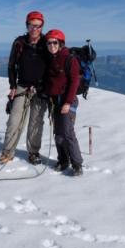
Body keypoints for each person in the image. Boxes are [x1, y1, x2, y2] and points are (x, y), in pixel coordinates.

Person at [0, 11, 49, 166]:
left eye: (38, 26)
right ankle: (7, 152)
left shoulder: (47, 42)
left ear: (42, 26)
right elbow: (12, 66)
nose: (35, 29)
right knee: (14, 121)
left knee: (36, 123)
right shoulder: (19, 43)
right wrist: (12, 86)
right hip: (21, 86)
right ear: (27, 25)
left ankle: (33, 153)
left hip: (40, 88)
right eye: (32, 25)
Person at [43, 29, 84, 176]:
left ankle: (77, 164)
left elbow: (74, 82)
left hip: (67, 101)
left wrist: (67, 103)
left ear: (60, 43)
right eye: (49, 43)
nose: (51, 45)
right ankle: (63, 160)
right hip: (54, 102)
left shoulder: (69, 59)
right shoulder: (51, 59)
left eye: (55, 42)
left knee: (67, 133)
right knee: (58, 134)